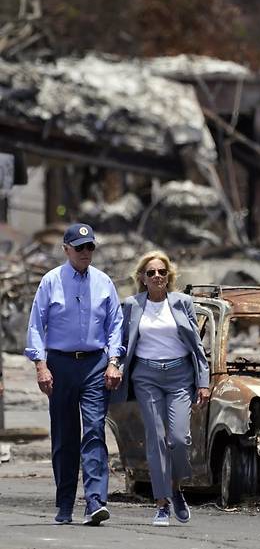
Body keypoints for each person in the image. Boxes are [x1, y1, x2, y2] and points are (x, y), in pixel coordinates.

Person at [24, 223, 124, 525]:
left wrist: (114, 361)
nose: (85, 253)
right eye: (79, 248)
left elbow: (115, 325)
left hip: (95, 364)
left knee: (94, 431)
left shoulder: (104, 282)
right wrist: (40, 365)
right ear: (66, 249)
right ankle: (65, 503)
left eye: (90, 247)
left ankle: (95, 502)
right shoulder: (50, 282)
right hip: (60, 365)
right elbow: (35, 327)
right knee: (65, 436)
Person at [114, 250, 210, 527]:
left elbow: (196, 347)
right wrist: (115, 366)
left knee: (179, 439)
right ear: (142, 278)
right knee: (155, 439)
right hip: (146, 376)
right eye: (151, 272)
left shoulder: (183, 303)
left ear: (169, 277)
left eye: (162, 272)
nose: (157, 276)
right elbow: (122, 344)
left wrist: (202, 381)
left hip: (180, 375)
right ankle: (161, 504)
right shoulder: (132, 304)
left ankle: (176, 488)